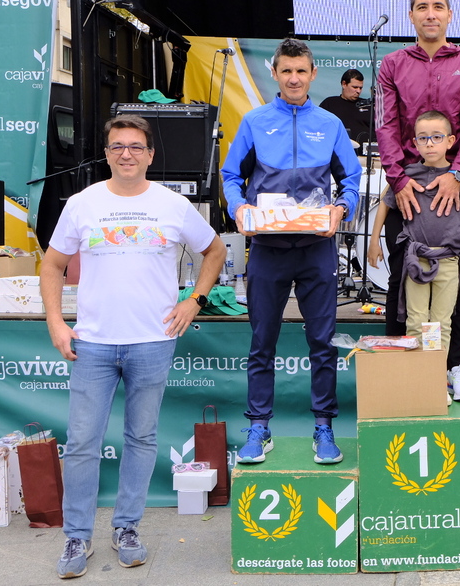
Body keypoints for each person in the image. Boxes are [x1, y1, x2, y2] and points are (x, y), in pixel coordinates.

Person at [40, 114, 225, 579]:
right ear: (106, 153)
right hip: (94, 344)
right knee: (82, 443)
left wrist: (195, 301)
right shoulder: (83, 203)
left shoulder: (172, 205)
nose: (127, 153)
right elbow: (52, 265)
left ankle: (127, 529)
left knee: (141, 439)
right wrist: (57, 323)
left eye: (136, 146)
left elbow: (216, 251)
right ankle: (76, 537)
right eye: (118, 145)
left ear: (150, 155)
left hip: (152, 342)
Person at [221, 38, 361, 466]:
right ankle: (259, 428)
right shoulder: (255, 121)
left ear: (313, 74)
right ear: (275, 74)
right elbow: (230, 176)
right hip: (267, 248)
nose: (294, 78)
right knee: (263, 341)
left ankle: (324, 427)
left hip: (317, 248)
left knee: (322, 342)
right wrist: (238, 206)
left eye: (301, 71)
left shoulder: (330, 124)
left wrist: (342, 208)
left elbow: (351, 179)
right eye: (286, 71)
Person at [376, 0, 460, 401]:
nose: (430, 14)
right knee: (400, 281)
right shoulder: (392, 65)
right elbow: (385, 125)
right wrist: (398, 178)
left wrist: (457, 174)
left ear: (449, 13)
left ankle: (454, 368)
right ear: (411, 14)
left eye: (437, 6)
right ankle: (398, 367)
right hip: (407, 186)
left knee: (455, 285)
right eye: (422, 6)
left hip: (454, 185)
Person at [368, 111, 460, 355]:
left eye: (436, 137)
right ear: (414, 143)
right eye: (423, 138)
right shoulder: (408, 174)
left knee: (441, 322)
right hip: (416, 261)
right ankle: (416, 381)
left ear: (450, 141)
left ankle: (436, 379)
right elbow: (385, 203)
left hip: (448, 260)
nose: (429, 143)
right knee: (416, 320)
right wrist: (374, 240)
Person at [319, 68, 372, 146]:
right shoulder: (329, 104)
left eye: (360, 88)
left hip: (366, 155)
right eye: (355, 87)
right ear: (344, 84)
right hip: (336, 154)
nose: (358, 91)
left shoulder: (368, 105)